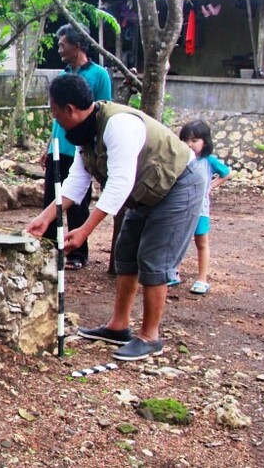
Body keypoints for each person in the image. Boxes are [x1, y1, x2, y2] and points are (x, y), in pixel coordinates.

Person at [27, 74, 203, 361]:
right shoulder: (88, 132)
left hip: (178, 185)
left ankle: (150, 336)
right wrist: (46, 217)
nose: (55, 120)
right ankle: (118, 326)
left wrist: (85, 230)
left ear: (70, 109)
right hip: (145, 192)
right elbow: (77, 181)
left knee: (153, 258)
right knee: (126, 252)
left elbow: (120, 182)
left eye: (55, 113)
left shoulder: (118, 125)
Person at [40, 24, 112, 270]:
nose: (59, 49)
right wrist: (49, 146)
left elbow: (103, 109)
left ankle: (77, 253)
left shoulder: (99, 75)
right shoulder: (61, 76)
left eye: (62, 44)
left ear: (77, 45)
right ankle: (48, 248)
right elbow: (56, 117)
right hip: (59, 146)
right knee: (51, 197)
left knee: (77, 200)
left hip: (80, 147)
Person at [177, 119, 230, 295]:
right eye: (185, 140)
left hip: (200, 209)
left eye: (194, 140)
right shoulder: (180, 158)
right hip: (181, 208)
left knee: (201, 242)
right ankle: (173, 272)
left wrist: (210, 187)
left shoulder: (209, 161)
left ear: (204, 141)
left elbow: (226, 173)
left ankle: (202, 279)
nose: (189, 144)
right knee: (177, 241)